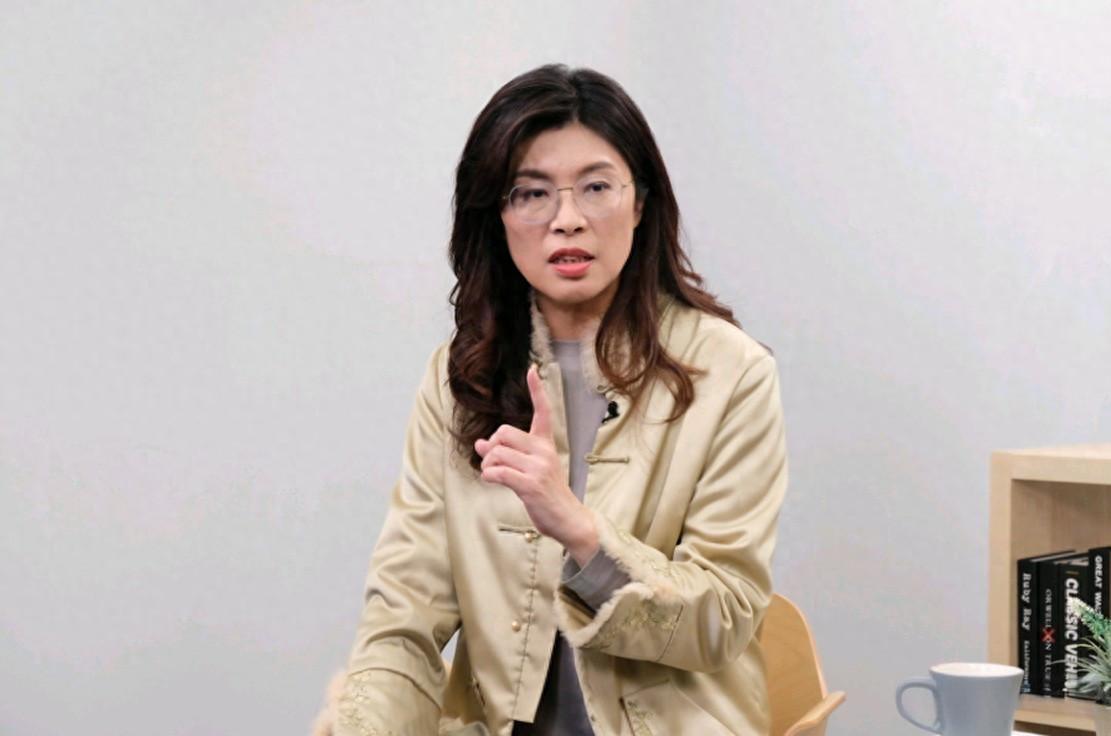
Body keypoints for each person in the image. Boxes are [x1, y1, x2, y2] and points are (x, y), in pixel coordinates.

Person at [333, 63, 788, 736]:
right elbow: (402, 622)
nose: (566, 220)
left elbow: (723, 615)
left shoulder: (731, 373)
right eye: (531, 193)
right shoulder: (458, 376)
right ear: (496, 215)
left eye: (596, 187)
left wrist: (578, 529)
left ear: (640, 203)